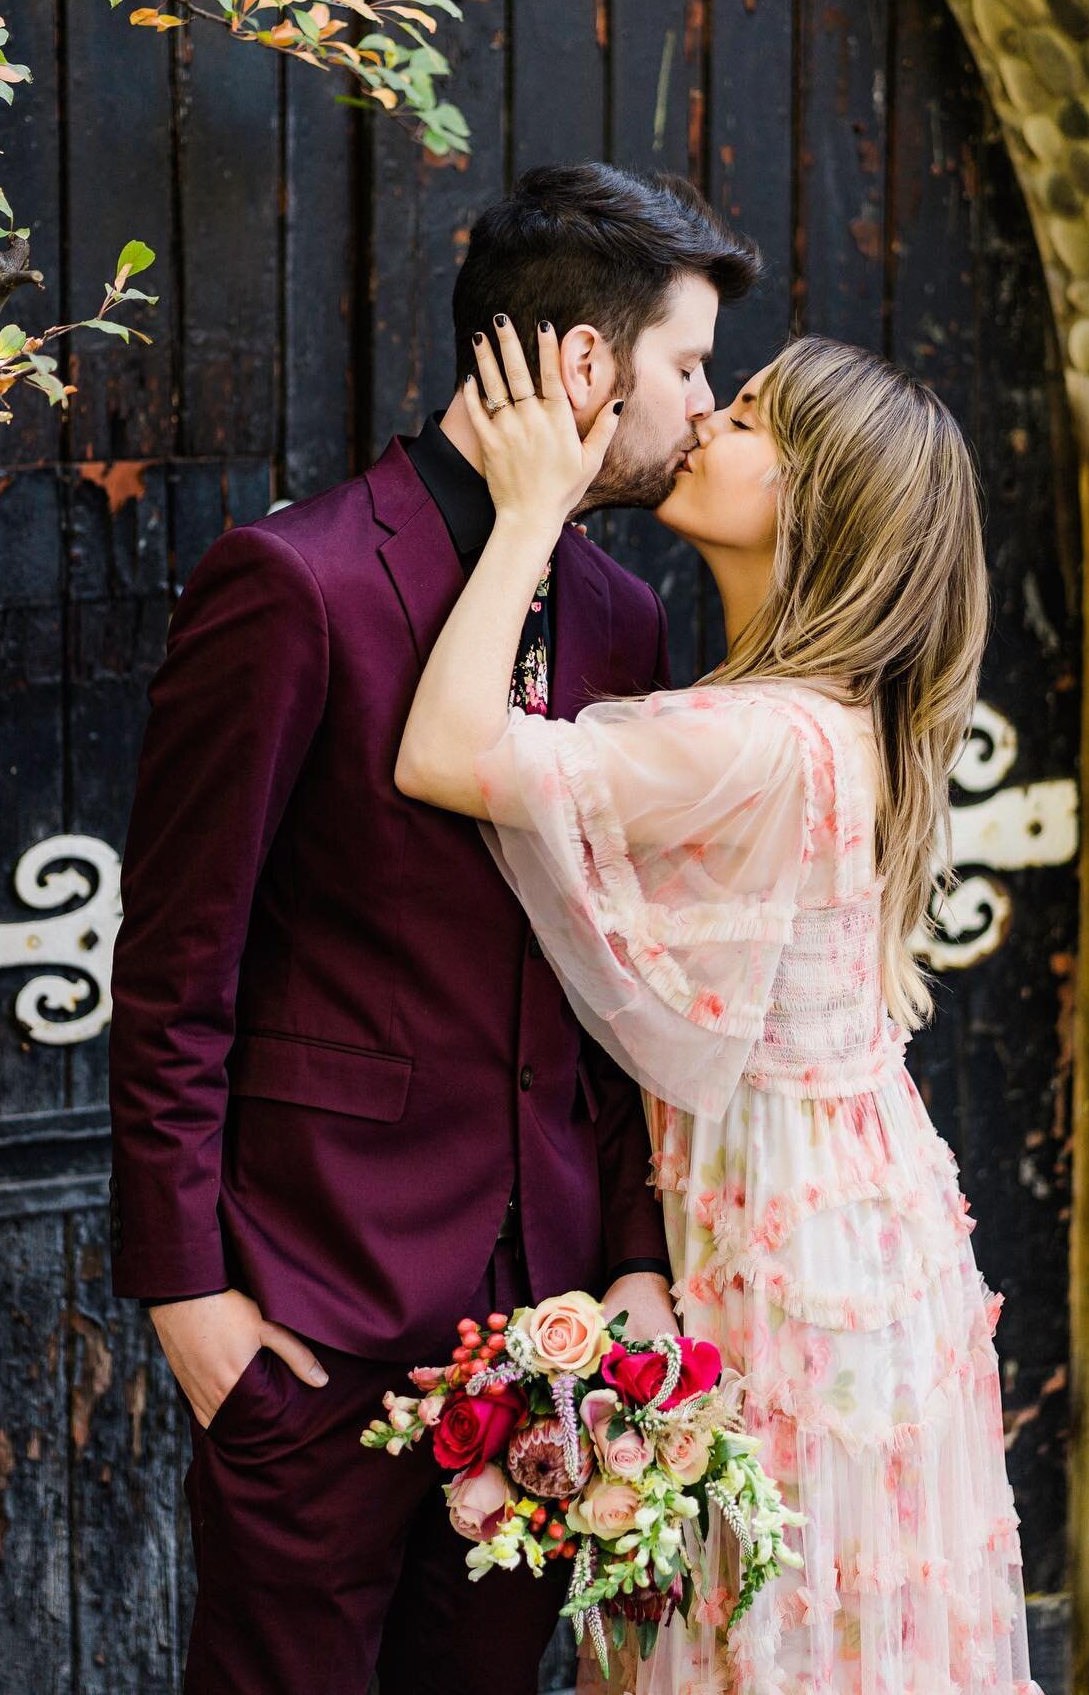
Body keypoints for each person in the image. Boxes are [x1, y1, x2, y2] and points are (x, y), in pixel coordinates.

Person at [105, 162, 760, 1693]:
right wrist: (188, 1298)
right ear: (587, 365)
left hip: (548, 1345)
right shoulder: (297, 583)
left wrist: (634, 1259)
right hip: (311, 1318)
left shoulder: (622, 618)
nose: (703, 405)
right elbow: (174, 966)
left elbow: (609, 983)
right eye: (687, 365)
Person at [396, 323, 1045, 1693]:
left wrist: (529, 514)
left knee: (753, 1634)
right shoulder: (824, 718)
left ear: (815, 503)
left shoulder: (756, 741)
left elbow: (446, 750)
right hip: (855, 1234)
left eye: (749, 419)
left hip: (783, 1270)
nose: (704, 425)